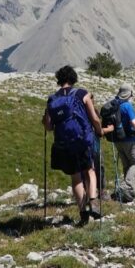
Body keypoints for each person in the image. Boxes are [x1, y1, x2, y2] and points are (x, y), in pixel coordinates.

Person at [42, 65, 105, 225]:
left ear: (59, 79)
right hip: (82, 140)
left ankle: (82, 212)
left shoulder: (52, 99)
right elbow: (94, 118)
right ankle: (93, 200)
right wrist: (99, 131)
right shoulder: (82, 94)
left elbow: (49, 127)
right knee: (90, 170)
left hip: (64, 143)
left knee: (75, 177)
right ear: (73, 78)